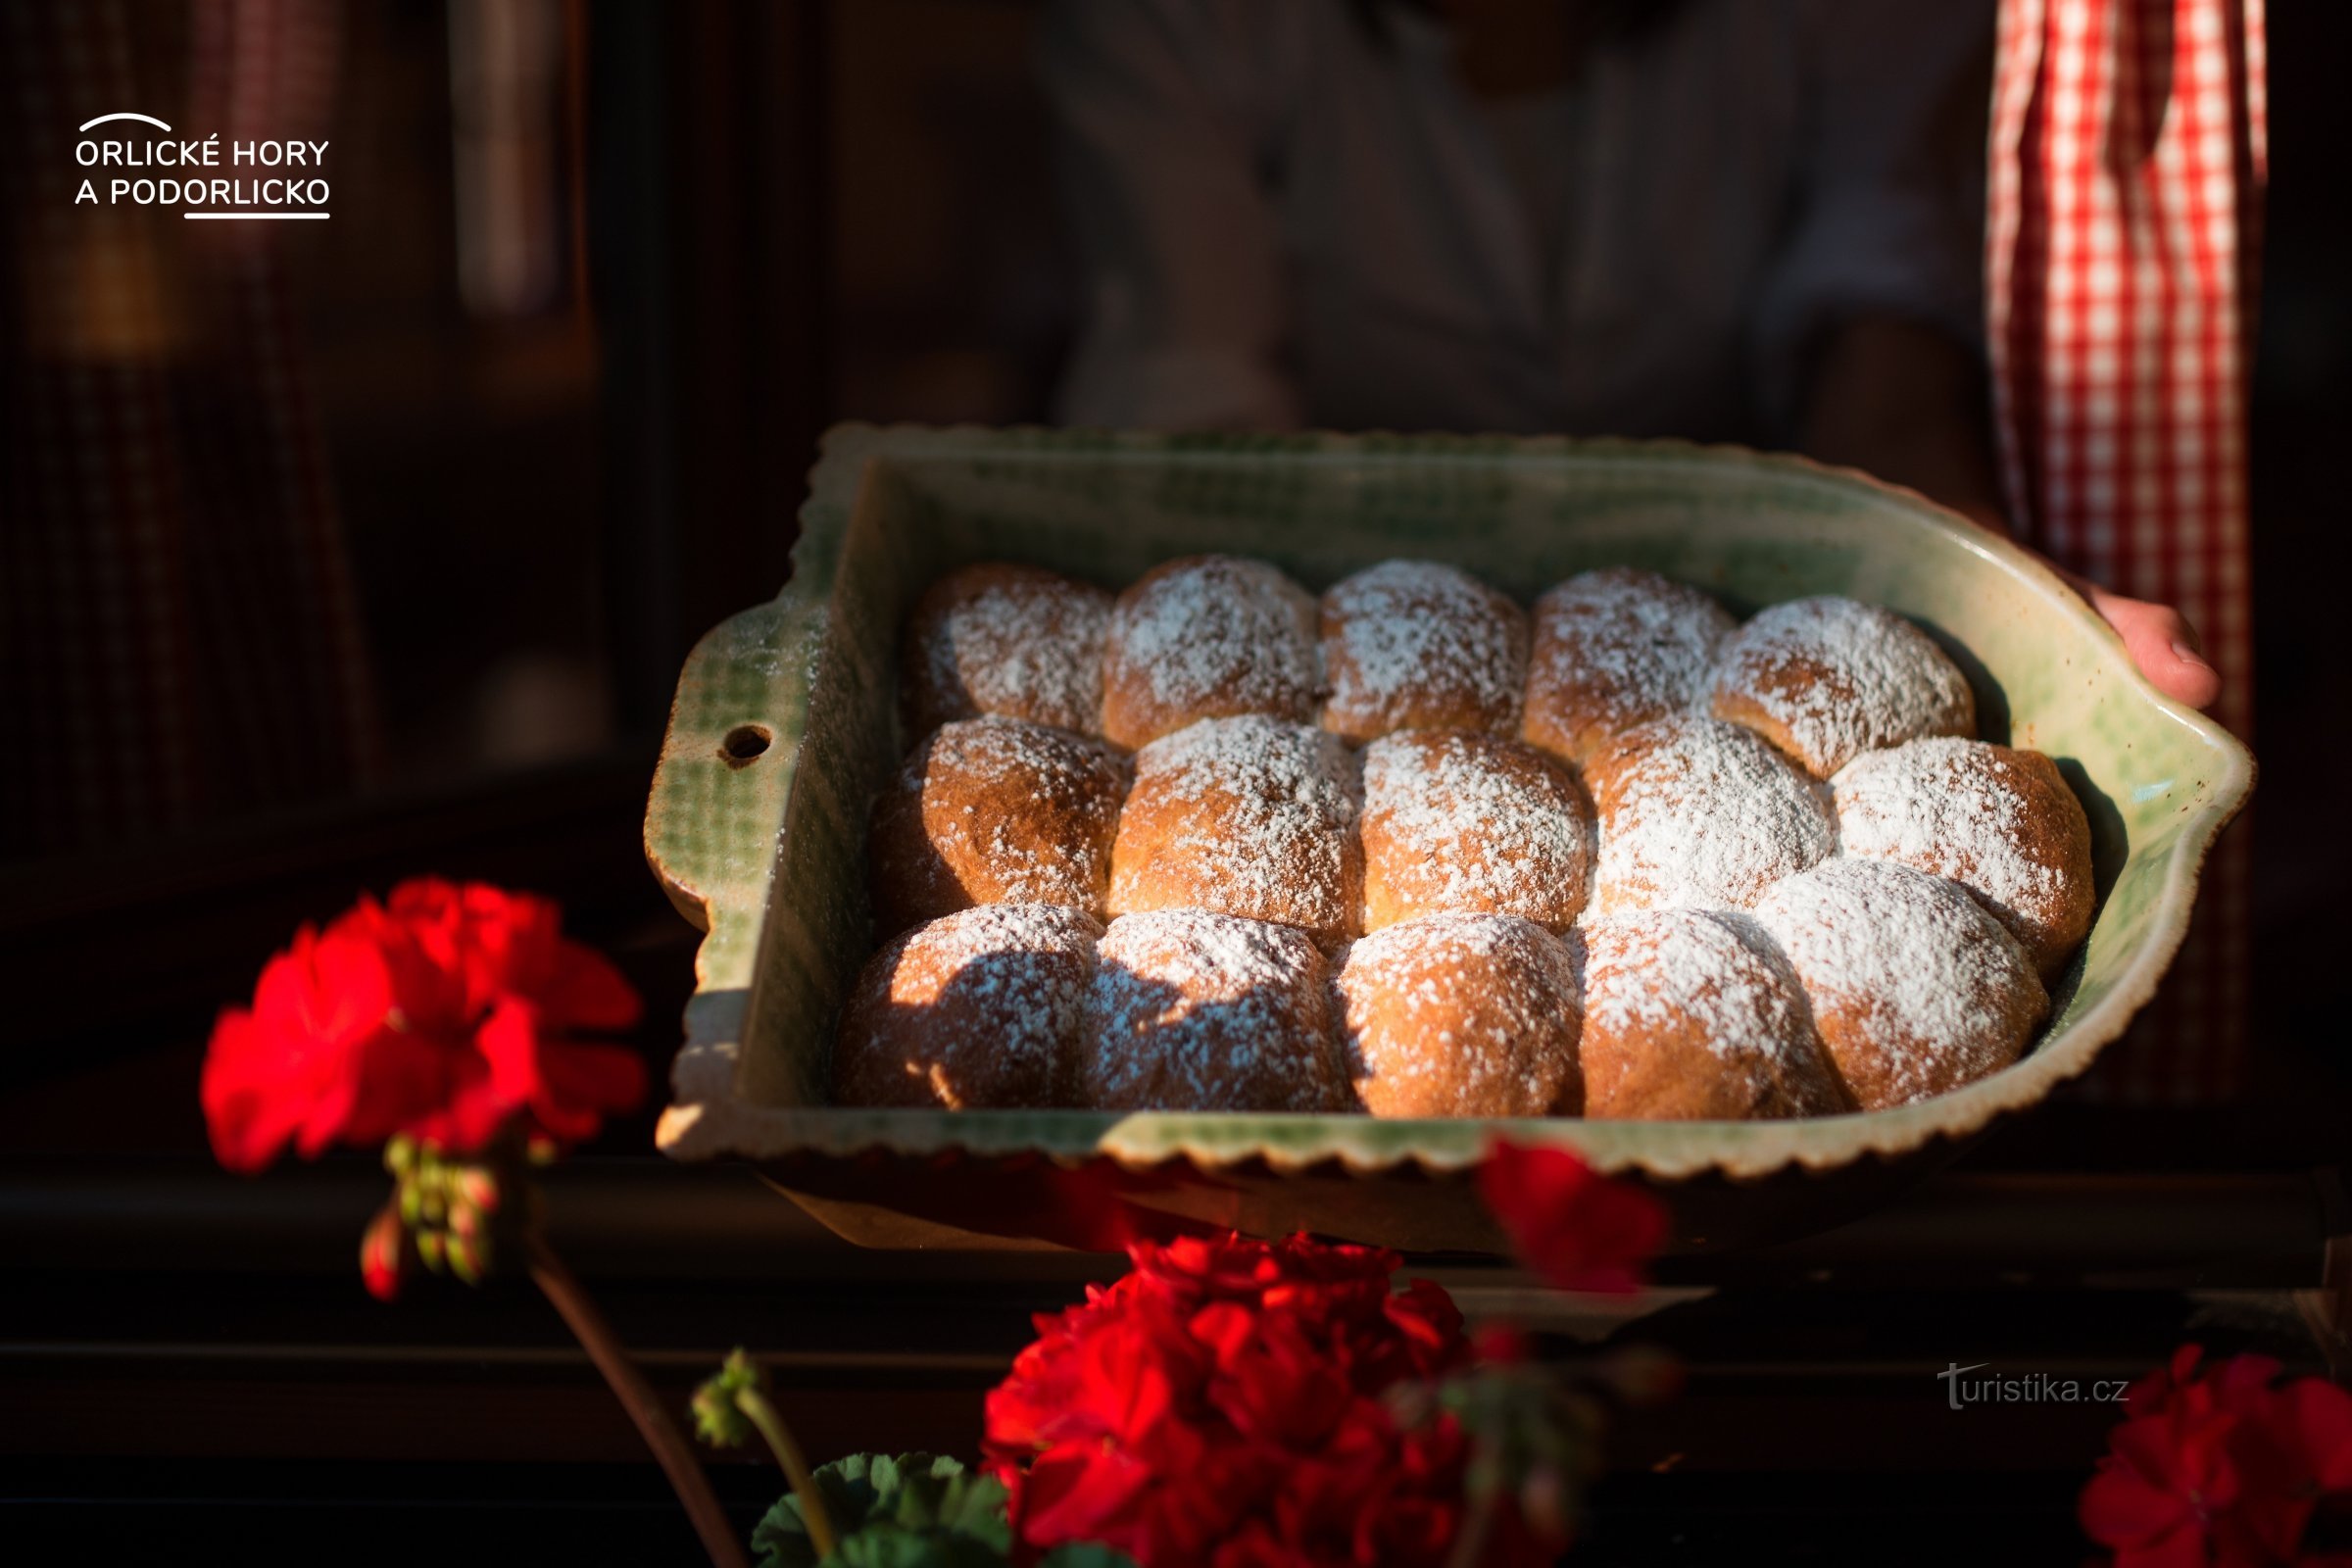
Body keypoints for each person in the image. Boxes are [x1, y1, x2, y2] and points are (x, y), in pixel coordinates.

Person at [1036, 0, 2221, 708]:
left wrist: (1963, 576)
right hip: (1328, 590)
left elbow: (1883, 332)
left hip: (1754, 601)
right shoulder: (1178, 20)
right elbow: (1193, 402)